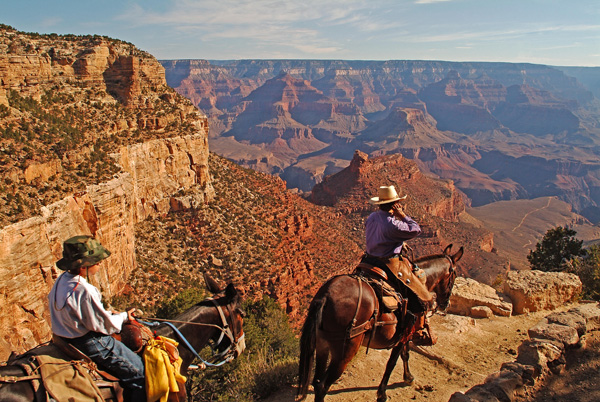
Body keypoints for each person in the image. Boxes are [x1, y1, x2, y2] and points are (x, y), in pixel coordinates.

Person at [48, 235, 146, 401]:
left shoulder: (61, 280)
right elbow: (102, 325)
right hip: (89, 342)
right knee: (140, 373)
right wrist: (123, 317)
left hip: (64, 339)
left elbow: (86, 314)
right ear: (82, 266)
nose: (100, 263)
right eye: (96, 261)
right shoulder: (84, 290)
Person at [361, 185, 436, 345]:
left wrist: (398, 242)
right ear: (395, 204)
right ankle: (418, 330)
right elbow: (415, 230)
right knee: (421, 297)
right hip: (390, 263)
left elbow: (380, 235)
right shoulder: (394, 224)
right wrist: (402, 215)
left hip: (368, 260)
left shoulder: (372, 217)